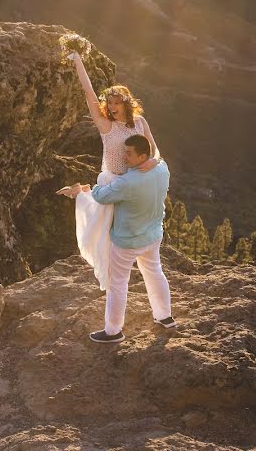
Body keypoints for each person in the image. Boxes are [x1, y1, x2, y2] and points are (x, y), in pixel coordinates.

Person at [57, 41, 161, 292]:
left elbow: (154, 149)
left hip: (135, 183)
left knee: (136, 236)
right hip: (113, 183)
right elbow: (89, 94)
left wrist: (153, 162)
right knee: (103, 239)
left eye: (117, 103)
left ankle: (82, 190)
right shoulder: (106, 126)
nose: (112, 108)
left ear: (126, 103)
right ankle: (81, 192)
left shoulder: (139, 122)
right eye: (110, 104)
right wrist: (77, 60)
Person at [58, 134, 176, 343]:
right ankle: (165, 316)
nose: (124, 157)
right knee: (154, 272)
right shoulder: (162, 170)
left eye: (129, 154)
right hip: (153, 235)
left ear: (142, 156)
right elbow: (159, 159)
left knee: (117, 284)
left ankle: (113, 331)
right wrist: (154, 160)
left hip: (127, 241)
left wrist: (87, 188)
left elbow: (101, 196)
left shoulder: (127, 182)